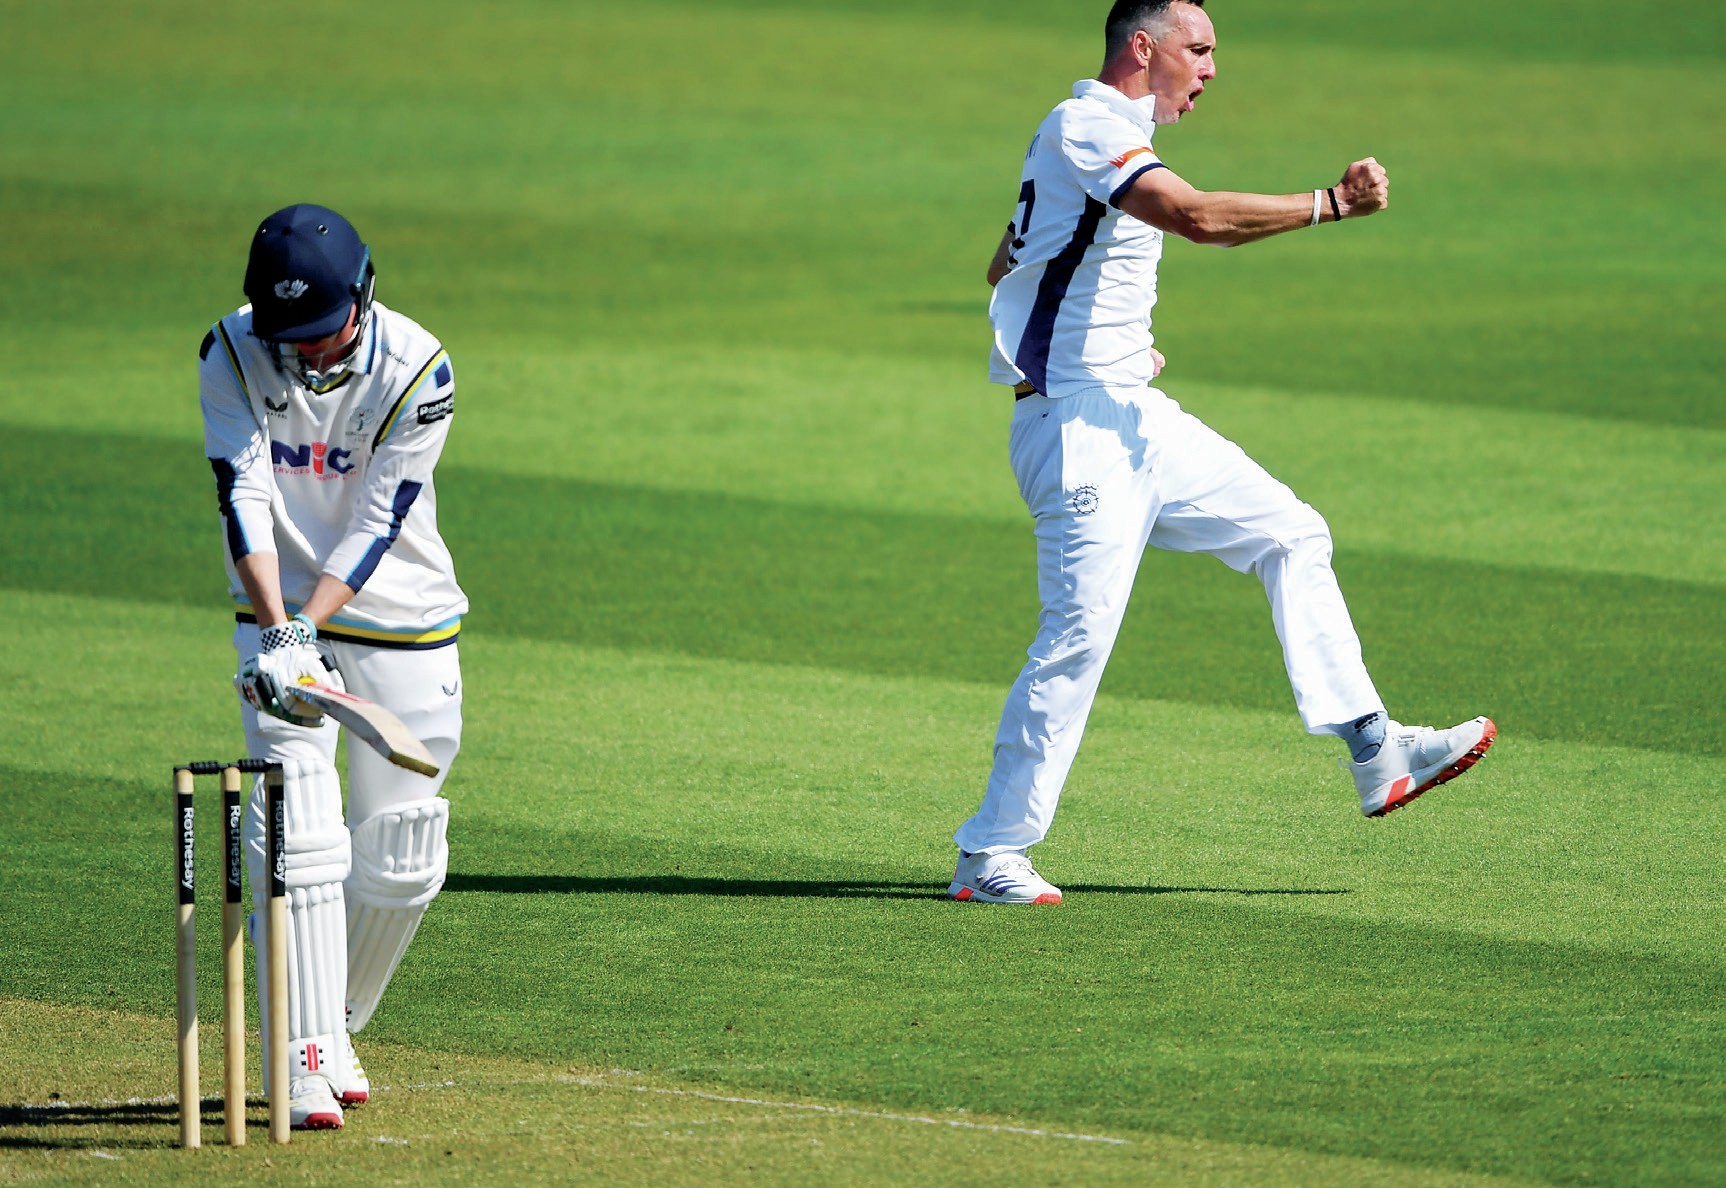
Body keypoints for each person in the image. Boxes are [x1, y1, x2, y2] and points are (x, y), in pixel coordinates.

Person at [948, 0, 1494, 905]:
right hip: (1081, 432)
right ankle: (991, 853)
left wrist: (1110, 347)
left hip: (1129, 413)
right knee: (1077, 638)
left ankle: (1375, 748)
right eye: (1197, 50)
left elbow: (1006, 262)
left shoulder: (1092, 137)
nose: (1209, 69)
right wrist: (1330, 204)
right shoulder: (1088, 124)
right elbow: (1195, 218)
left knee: (1291, 532)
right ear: (1143, 47)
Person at [199, 204, 466, 1125]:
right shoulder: (230, 352)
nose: (309, 352)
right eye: (293, 336)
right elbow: (242, 489)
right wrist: (280, 632)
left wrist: (310, 624)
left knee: (402, 854)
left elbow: (380, 517)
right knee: (301, 831)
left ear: (364, 292)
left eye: (324, 329)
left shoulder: (419, 368)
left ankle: (333, 1024)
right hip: (273, 609)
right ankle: (302, 1053)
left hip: (401, 609)